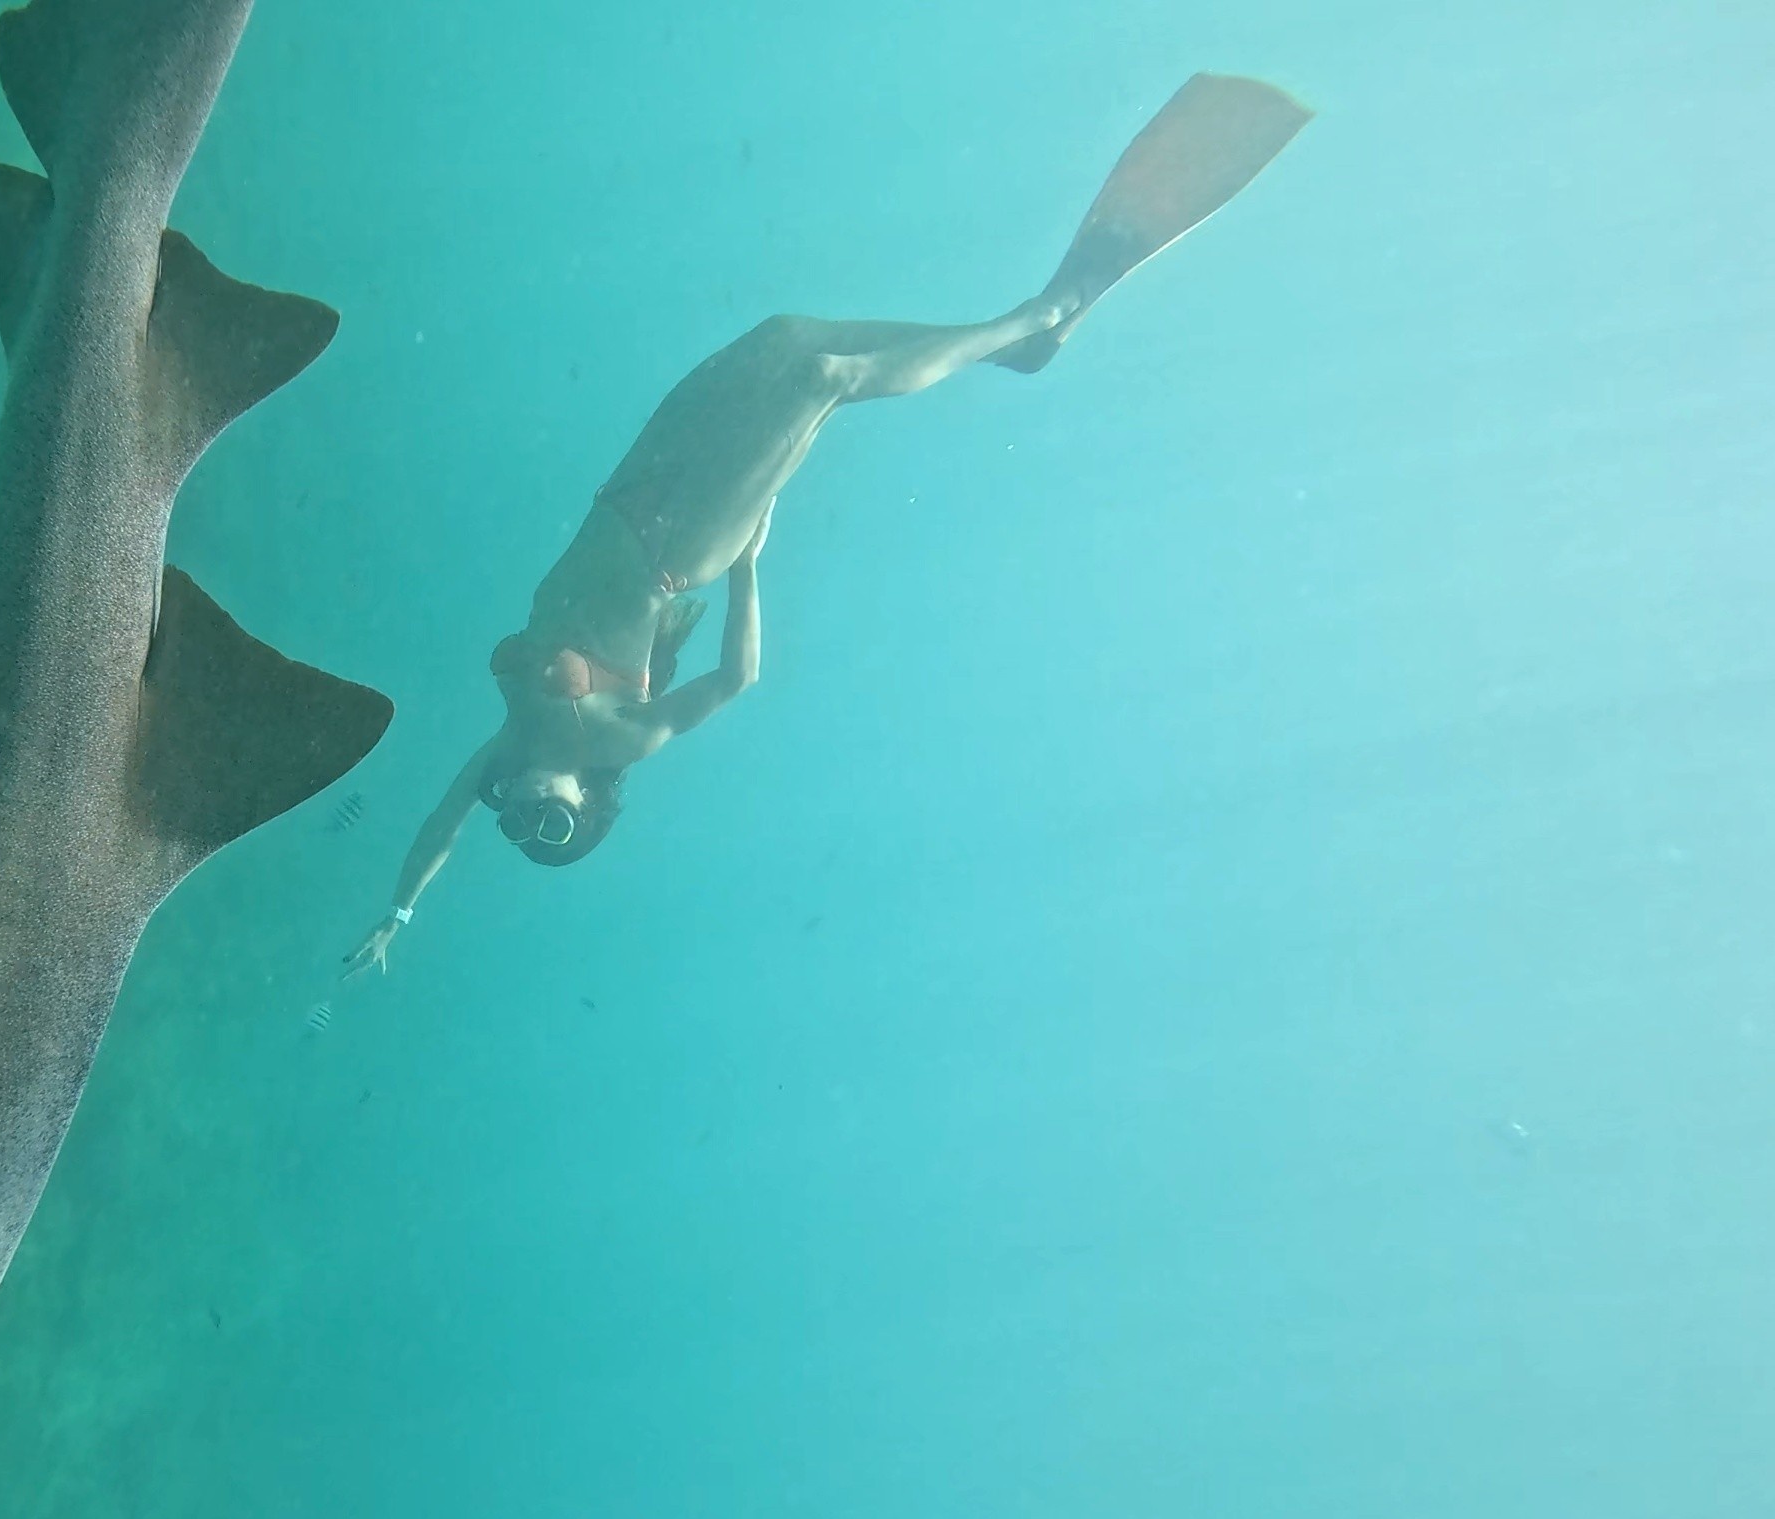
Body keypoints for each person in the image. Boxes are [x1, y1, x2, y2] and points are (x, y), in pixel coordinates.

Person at [344, 73, 1311, 977]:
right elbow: (735, 680)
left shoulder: (510, 745)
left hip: (625, 492)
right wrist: (754, 565)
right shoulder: (614, 742)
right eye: (549, 835)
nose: (521, 823)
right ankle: (1036, 319)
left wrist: (400, 915)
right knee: (822, 381)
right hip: (681, 551)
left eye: (519, 834)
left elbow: (436, 829)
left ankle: (1013, 348)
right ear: (588, 809)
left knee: (784, 338)